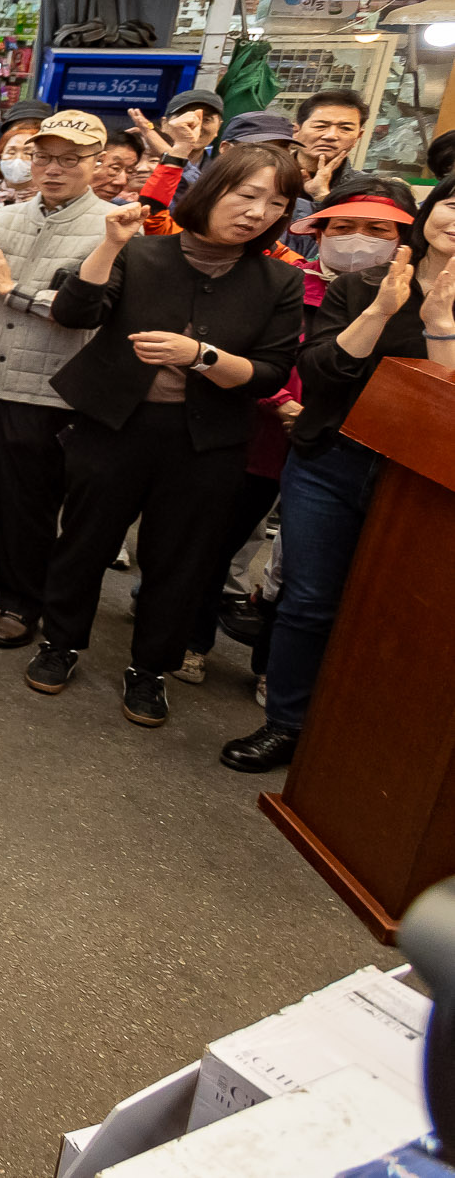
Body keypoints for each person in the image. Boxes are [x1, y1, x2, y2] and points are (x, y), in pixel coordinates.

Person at [24, 145, 305, 725]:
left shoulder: (278, 279)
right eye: (247, 195)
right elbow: (77, 312)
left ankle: (150, 668)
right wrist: (109, 244)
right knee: (85, 540)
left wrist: (201, 356)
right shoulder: (145, 251)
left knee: (178, 558)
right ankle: (61, 642)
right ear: (212, 191)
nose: (258, 213)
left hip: (206, 441)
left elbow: (271, 374)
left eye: (275, 204)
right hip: (114, 425)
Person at [223, 179, 455, 771]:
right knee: (308, 597)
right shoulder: (362, 286)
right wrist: (380, 312)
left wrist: (440, 327)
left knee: (394, 610)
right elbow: (322, 371)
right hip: (332, 457)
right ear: (428, 212)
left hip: (420, 481)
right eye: (454, 203)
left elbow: (446, 405)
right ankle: (288, 723)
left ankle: (361, 732)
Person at [0, 110, 111, 649]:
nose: (52, 169)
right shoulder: (7, 215)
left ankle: (20, 602)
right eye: (43, 157)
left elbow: (86, 310)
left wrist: (13, 290)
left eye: (69, 160)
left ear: (96, 165)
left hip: (43, 388)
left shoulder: (111, 226)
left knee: (27, 503)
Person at [282, 90, 369, 256]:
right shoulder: (267, 177)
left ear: (359, 136)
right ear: (296, 130)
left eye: (345, 128)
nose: (331, 136)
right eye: (320, 126)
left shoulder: (368, 190)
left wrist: (323, 197)